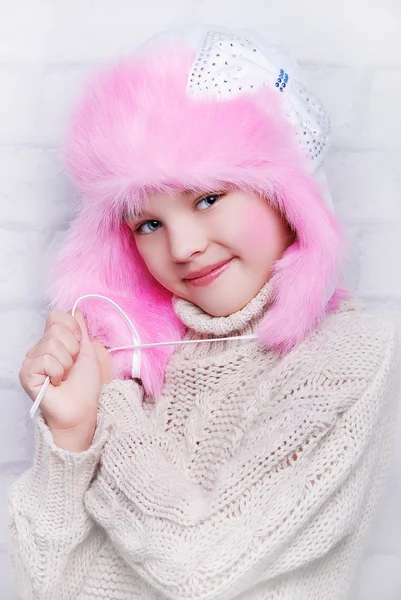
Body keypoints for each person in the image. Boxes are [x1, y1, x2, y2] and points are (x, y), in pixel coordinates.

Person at [9, 24, 400, 600]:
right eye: (148, 223)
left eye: (209, 197)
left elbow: (201, 571)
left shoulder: (348, 351)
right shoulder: (138, 361)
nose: (183, 246)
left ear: (285, 194)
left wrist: (107, 410)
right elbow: (43, 585)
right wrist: (69, 437)